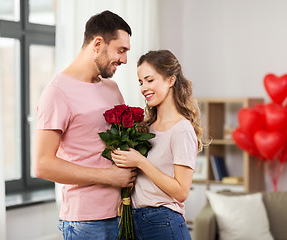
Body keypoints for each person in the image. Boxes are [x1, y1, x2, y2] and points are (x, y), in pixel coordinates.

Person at [34, 10, 136, 240]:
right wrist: (110, 177)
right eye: (121, 50)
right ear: (98, 43)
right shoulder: (57, 92)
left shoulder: (111, 88)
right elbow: (42, 165)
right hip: (87, 222)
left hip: (124, 212)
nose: (124, 60)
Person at [111, 50, 204, 240]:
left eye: (149, 80)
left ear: (170, 80)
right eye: (140, 82)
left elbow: (181, 191)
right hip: (138, 220)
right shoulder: (146, 128)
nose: (144, 87)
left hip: (163, 222)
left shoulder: (181, 130)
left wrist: (140, 162)